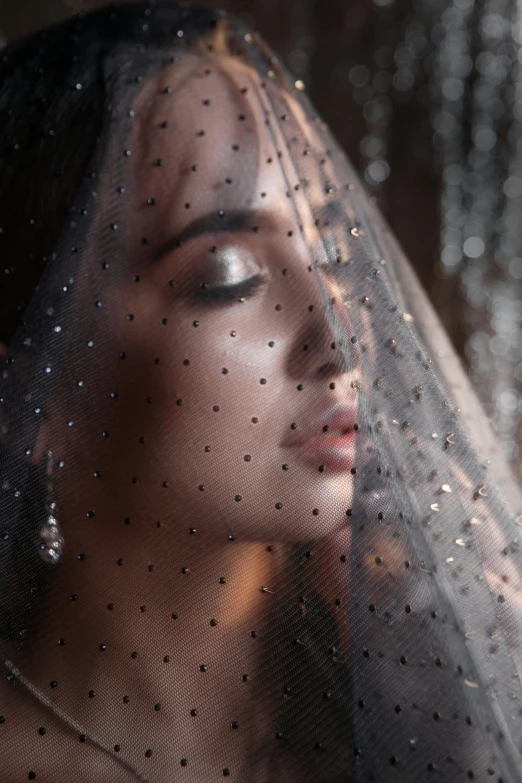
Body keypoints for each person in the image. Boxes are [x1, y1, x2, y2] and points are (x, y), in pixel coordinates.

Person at [1, 2, 522, 781]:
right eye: (228, 275)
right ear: (31, 388)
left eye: (340, 252)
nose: (343, 336)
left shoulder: (431, 692)